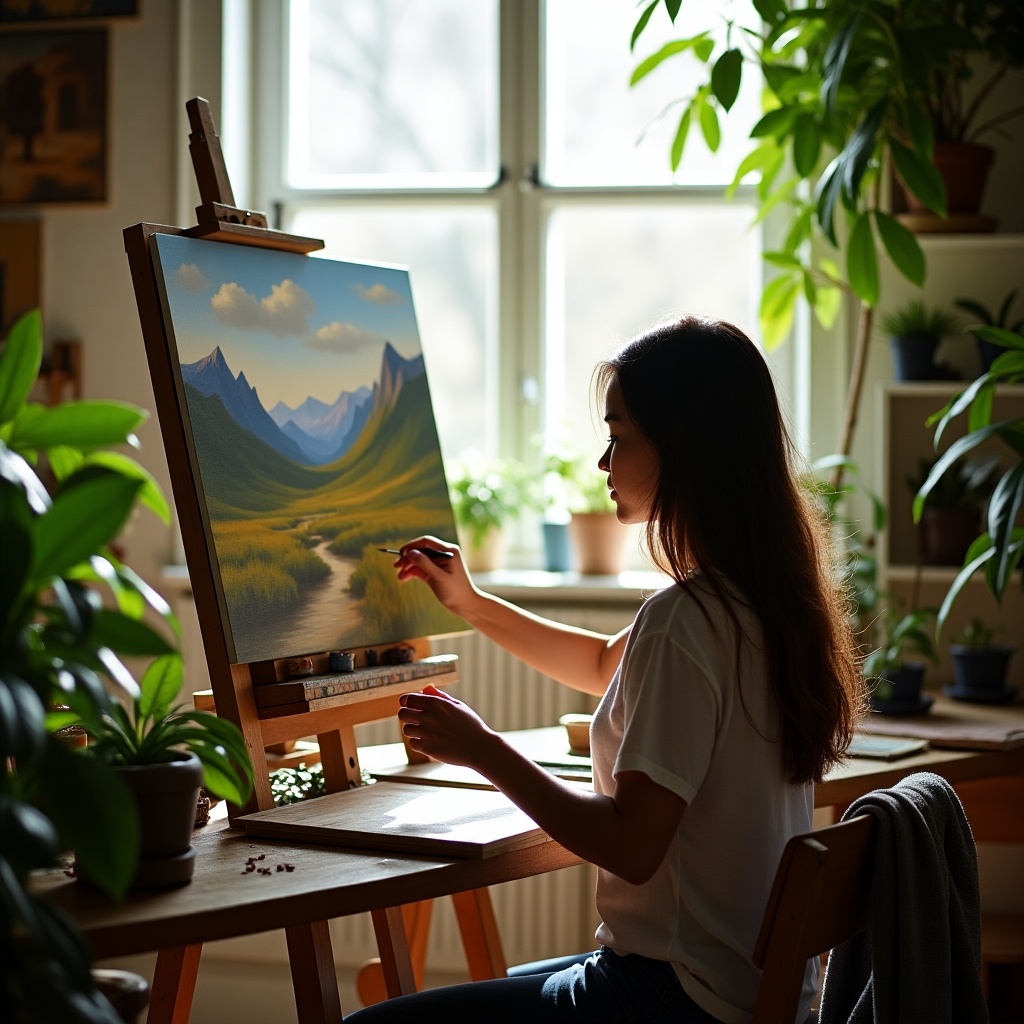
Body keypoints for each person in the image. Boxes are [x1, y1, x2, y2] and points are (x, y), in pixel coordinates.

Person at [346, 316, 862, 1024]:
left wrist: (481, 751)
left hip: (673, 998)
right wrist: (469, 602)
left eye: (618, 437)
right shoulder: (766, 599)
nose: (603, 462)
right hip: (742, 990)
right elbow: (598, 663)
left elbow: (631, 846)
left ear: (682, 447)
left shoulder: (686, 619)